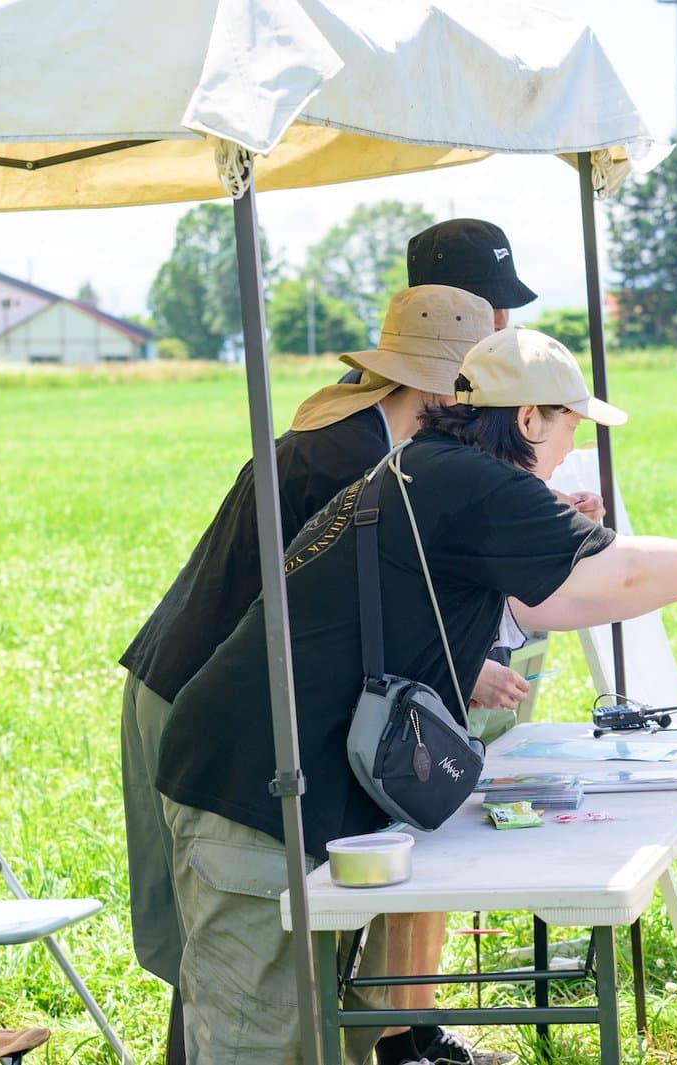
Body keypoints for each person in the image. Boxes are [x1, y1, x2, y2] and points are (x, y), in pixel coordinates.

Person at [154, 328, 677, 1065]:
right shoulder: (468, 483)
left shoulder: (435, 471)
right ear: (528, 419)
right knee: (259, 1040)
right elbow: (609, 573)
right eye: (568, 425)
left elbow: (551, 601)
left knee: (320, 1034)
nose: (569, 447)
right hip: (250, 781)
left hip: (285, 775)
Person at [120, 284, 498, 1065]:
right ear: (435, 386)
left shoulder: (360, 434)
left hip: (213, 693)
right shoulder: (354, 461)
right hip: (195, 696)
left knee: (243, 947)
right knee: (226, 945)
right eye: (469, 394)